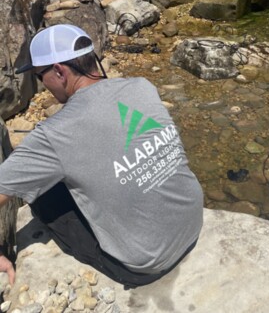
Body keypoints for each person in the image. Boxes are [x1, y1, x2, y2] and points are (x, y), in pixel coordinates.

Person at [0, 24, 203, 286]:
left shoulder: (53, 135)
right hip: (192, 223)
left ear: (59, 71)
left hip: (147, 262)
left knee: (44, 196)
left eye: (40, 77)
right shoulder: (142, 86)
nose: (42, 85)